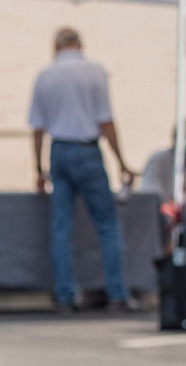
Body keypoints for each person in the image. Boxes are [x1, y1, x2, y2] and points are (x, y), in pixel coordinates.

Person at [28, 27, 139, 312]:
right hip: (87, 149)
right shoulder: (94, 72)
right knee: (107, 225)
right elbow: (106, 121)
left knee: (61, 228)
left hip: (59, 150)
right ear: (80, 44)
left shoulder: (45, 75)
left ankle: (65, 295)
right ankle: (117, 293)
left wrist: (38, 169)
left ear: (56, 46)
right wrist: (121, 162)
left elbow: (37, 128)